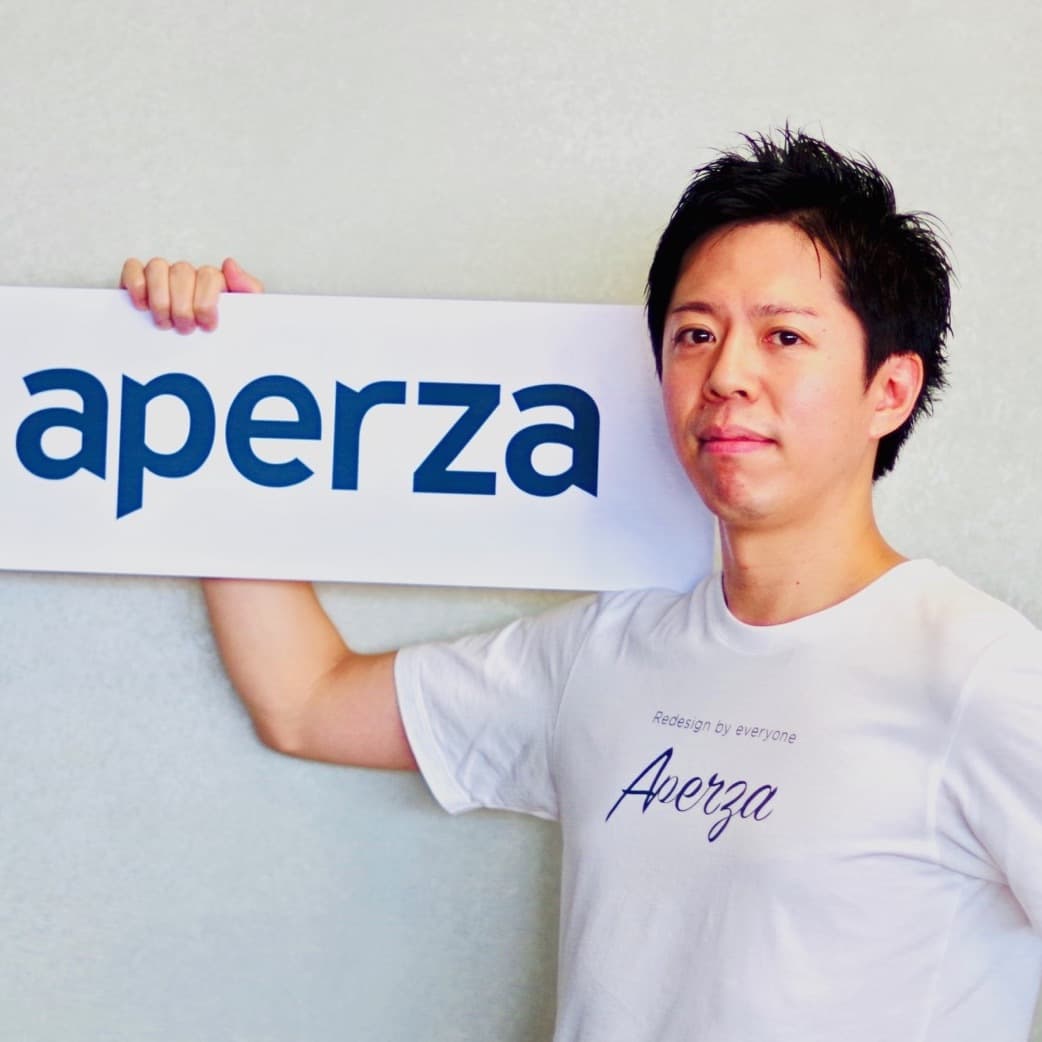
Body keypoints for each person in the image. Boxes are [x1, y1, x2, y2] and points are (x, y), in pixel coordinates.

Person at [119, 130, 1042, 1041]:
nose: (727, 375)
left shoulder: (982, 673)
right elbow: (304, 700)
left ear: (890, 389)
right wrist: (215, 390)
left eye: (785, 336)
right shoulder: (608, 651)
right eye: (695, 334)